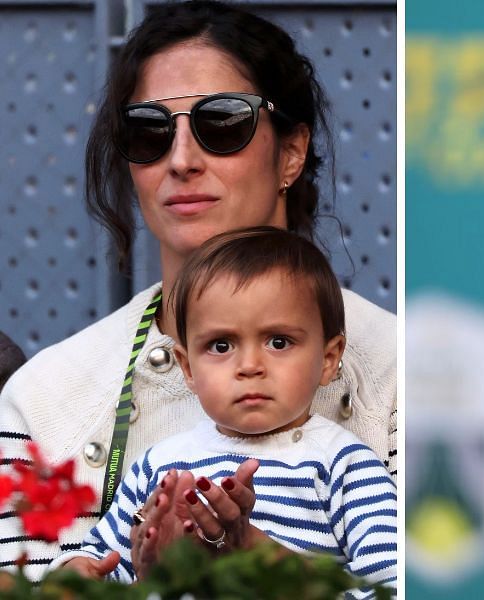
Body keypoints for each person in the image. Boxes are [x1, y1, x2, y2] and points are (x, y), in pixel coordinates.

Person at [0, 0, 397, 581]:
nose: (182, 160)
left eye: (223, 123)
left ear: (291, 151)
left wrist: (266, 568)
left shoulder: (399, 375)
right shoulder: (43, 399)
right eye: (148, 131)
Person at [48, 227, 396, 597]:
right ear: (188, 368)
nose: (249, 365)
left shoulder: (346, 467)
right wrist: (82, 572)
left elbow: (389, 587)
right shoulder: (159, 466)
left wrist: (271, 565)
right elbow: (105, 560)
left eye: (278, 342)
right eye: (221, 344)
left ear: (328, 359)